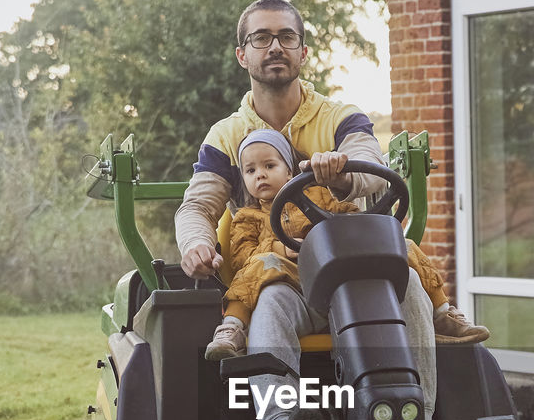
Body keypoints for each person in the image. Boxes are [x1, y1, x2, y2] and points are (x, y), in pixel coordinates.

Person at [175, 0, 475, 420]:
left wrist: (343, 174)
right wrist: (195, 244)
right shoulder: (226, 136)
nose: (274, 47)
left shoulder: (339, 117)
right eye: (261, 38)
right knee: (271, 302)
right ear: (243, 54)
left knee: (409, 283)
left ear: (303, 52)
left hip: (351, 276)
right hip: (283, 278)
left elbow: (368, 165)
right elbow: (198, 206)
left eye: (286, 37)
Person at [205, 128, 488, 360]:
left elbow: (349, 217)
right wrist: (280, 249)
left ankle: (443, 312)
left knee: (403, 245)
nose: (260, 175)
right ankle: (232, 326)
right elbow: (242, 259)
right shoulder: (246, 218)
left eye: (269, 166)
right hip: (288, 277)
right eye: (250, 170)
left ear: (289, 172)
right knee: (259, 264)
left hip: (334, 270)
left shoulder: (318, 195)